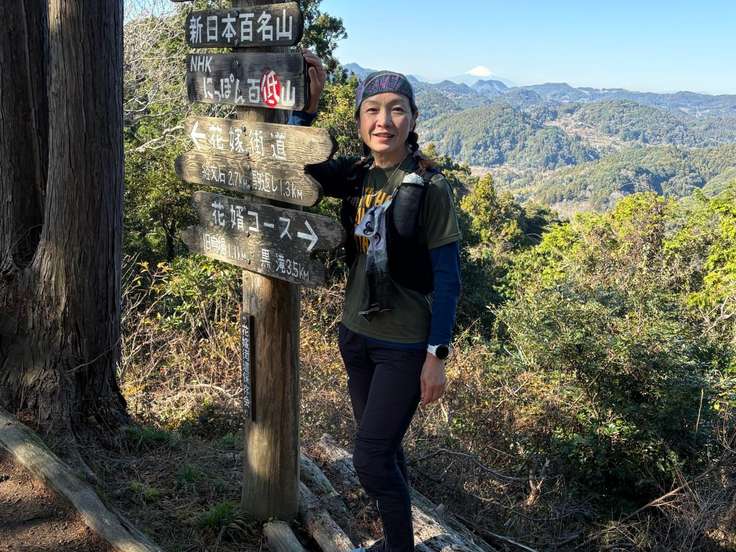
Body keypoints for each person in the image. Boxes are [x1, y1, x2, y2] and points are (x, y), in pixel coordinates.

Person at [292, 51, 462, 552]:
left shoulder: (430, 187)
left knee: (368, 460)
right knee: (385, 452)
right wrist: (308, 108)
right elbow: (298, 169)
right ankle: (399, 543)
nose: (384, 120)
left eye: (396, 109)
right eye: (373, 110)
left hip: (403, 346)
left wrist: (437, 356)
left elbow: (448, 279)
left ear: (412, 120)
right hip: (356, 336)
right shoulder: (357, 173)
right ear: (360, 120)